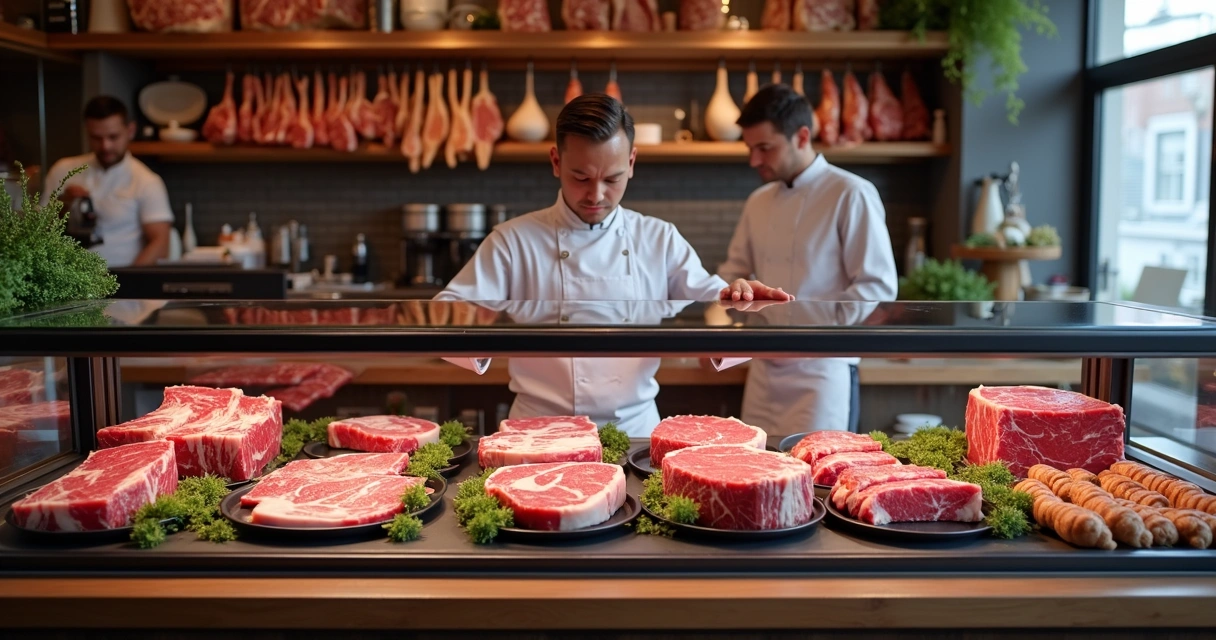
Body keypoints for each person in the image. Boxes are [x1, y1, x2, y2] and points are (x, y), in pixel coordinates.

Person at [435, 94, 791, 436]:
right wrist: (475, 327)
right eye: (581, 177)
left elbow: (714, 297)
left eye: (612, 179)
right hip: (539, 431)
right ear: (556, 162)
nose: (596, 195)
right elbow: (444, 314)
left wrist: (742, 297)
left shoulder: (659, 238)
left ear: (632, 163)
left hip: (634, 429)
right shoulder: (513, 241)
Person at [718, 84, 898, 435]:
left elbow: (877, 285)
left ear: (802, 136)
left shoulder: (851, 193)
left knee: (817, 479)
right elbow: (733, 273)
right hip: (762, 371)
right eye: (750, 148)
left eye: (764, 148)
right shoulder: (757, 201)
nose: (754, 160)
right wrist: (730, 311)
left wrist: (817, 332)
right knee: (754, 471)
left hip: (823, 372)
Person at [41, 96, 173, 268]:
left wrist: (127, 284)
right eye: (96, 138)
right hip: (64, 282)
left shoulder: (147, 181)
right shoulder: (62, 170)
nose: (105, 146)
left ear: (130, 131)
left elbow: (160, 243)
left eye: (113, 137)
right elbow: (38, 231)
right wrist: (64, 204)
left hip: (122, 284)